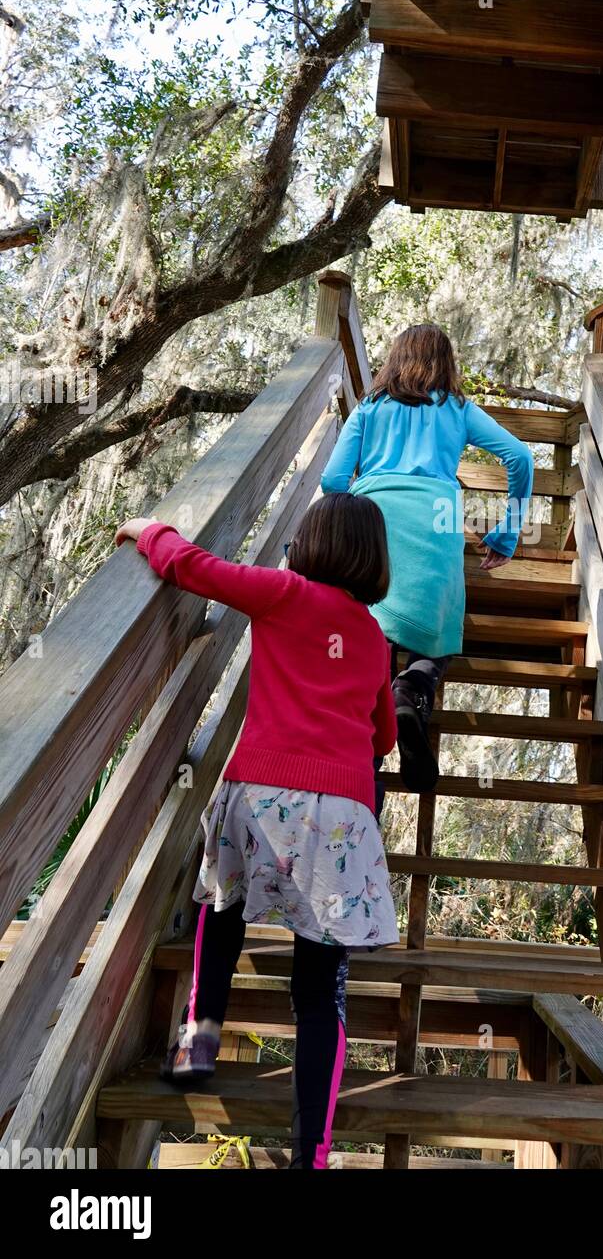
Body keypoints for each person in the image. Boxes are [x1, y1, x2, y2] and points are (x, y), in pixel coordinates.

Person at [114, 493, 397, 1170]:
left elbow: (193, 566)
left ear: (309, 543)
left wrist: (148, 529)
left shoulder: (281, 594)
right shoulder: (372, 637)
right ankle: (313, 1150)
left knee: (222, 906)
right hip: (340, 815)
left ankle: (199, 1040)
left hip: (260, 794)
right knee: (319, 986)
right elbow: (383, 734)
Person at [321, 323, 534, 798]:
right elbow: (520, 457)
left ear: (395, 360)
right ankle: (412, 693)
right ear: (446, 364)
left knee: (368, 642)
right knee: (436, 635)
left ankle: (364, 775)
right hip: (437, 519)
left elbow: (332, 480)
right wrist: (506, 532)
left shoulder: (370, 408)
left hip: (373, 524)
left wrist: (359, 499)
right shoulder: (457, 408)